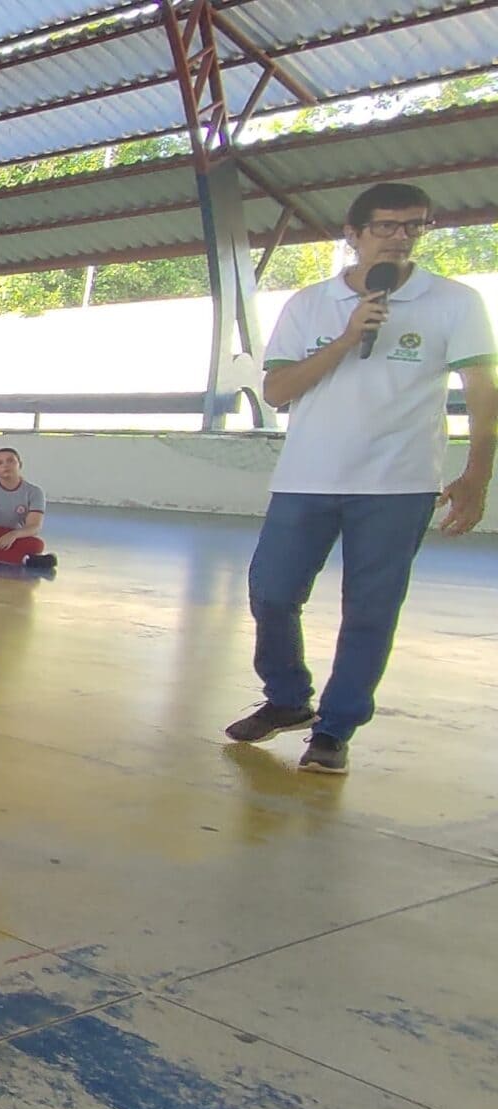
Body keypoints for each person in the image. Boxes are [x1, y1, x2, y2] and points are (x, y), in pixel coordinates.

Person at [226, 182, 496, 773]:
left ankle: (335, 728)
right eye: (386, 226)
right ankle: (288, 698)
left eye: (414, 226)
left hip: (399, 483)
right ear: (353, 234)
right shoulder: (310, 304)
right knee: (271, 592)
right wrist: (350, 337)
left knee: (370, 609)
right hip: (307, 477)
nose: (401, 238)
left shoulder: (454, 302)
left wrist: (477, 474)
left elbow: (482, 394)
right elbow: (277, 390)